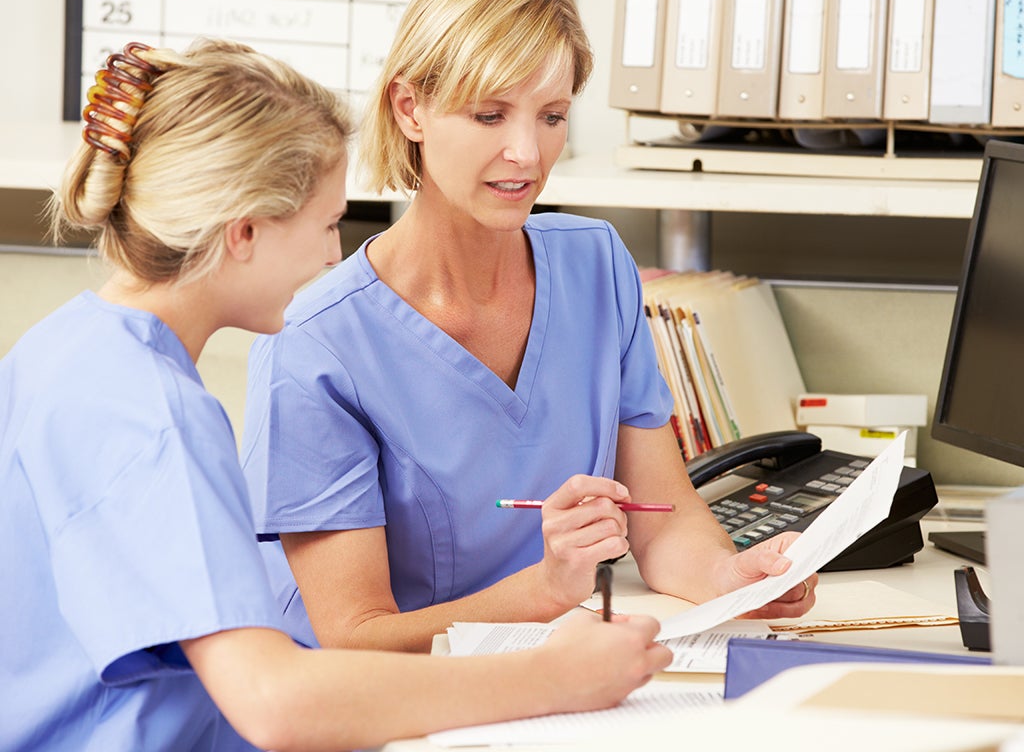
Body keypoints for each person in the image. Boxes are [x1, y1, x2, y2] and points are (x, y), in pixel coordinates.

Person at [0, 39, 672, 752]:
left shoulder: (61, 347)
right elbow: (275, 703)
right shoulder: (157, 417)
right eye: (326, 225)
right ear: (245, 231)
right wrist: (552, 679)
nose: (332, 255)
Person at [242, 0, 818, 656]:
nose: (527, 153)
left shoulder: (595, 265)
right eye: (490, 116)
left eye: (551, 116)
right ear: (411, 108)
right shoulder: (316, 343)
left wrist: (732, 577)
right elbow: (355, 638)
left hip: (538, 663)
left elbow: (662, 522)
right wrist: (546, 590)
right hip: (385, 703)